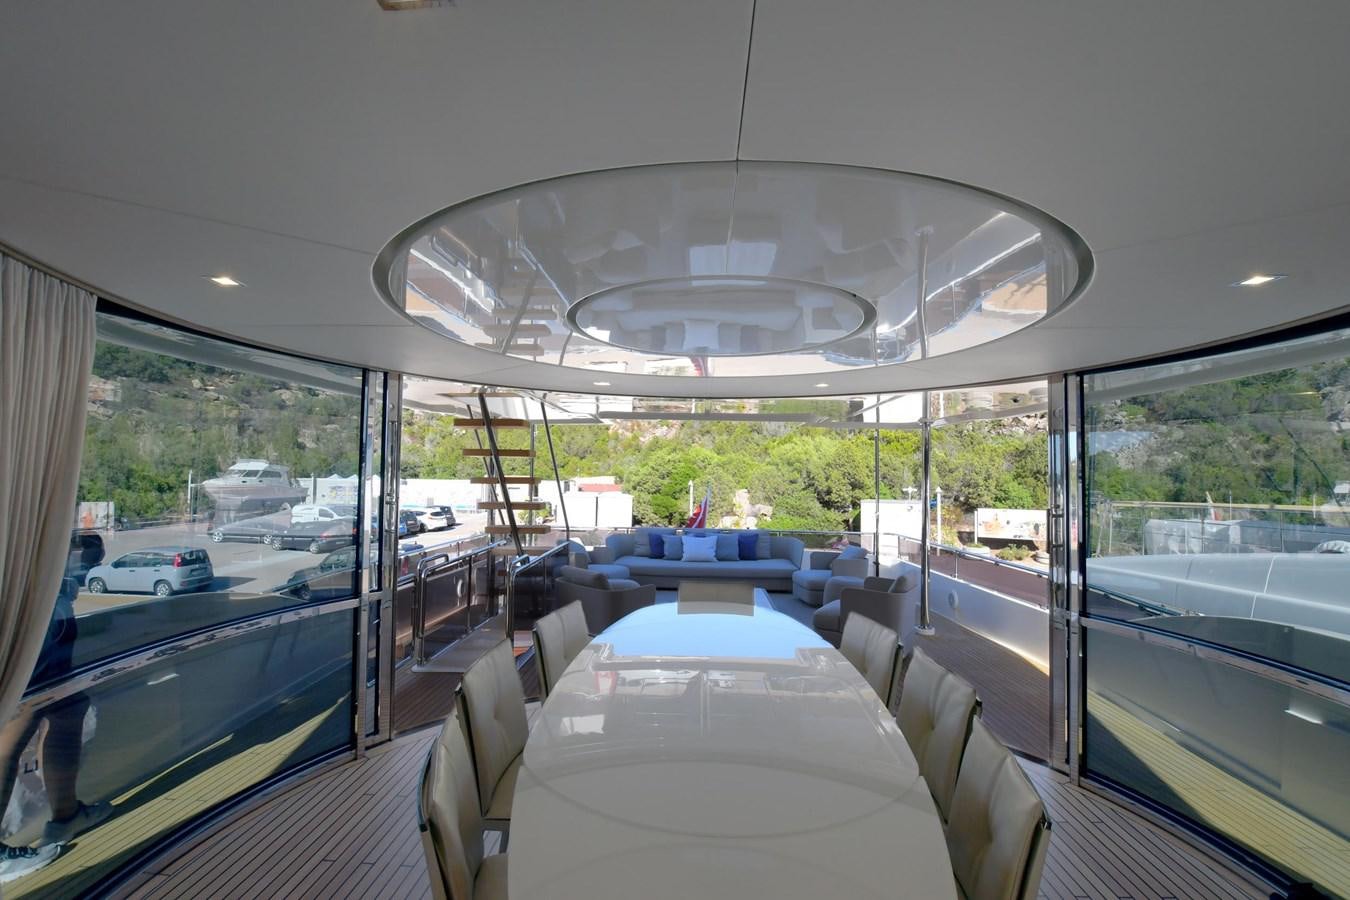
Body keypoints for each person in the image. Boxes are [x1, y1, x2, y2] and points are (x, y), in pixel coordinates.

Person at [0, 535, 113, 883]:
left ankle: (67, 815)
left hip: (46, 605)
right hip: (33, 608)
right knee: (19, 718)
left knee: (67, 707)